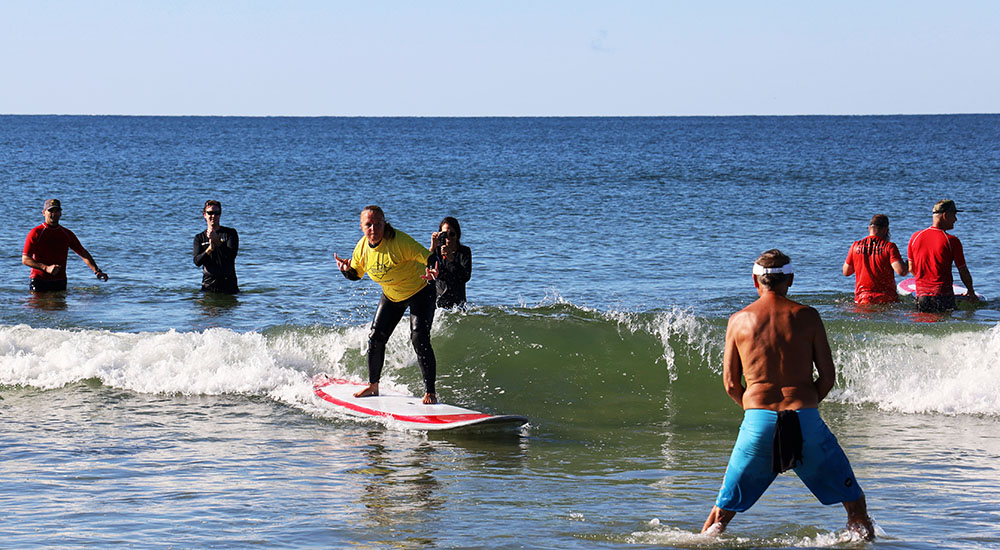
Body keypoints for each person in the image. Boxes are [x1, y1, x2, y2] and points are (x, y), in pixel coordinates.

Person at [701, 250, 874, 540]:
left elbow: (731, 384)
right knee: (854, 505)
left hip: (757, 422)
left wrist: (758, 412)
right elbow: (828, 378)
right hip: (805, 418)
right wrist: (804, 407)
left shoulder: (738, 321)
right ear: (790, 279)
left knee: (721, 515)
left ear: (755, 281)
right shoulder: (808, 317)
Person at [335, 205, 439, 404]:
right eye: (368, 225)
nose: (373, 229)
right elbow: (356, 274)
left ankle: (430, 393)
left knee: (419, 337)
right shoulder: (362, 248)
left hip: (420, 290)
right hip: (392, 296)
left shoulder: (399, 242)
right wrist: (345, 270)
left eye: (378, 224)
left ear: (385, 223)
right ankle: (373, 386)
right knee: (376, 337)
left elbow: (430, 257)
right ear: (361, 227)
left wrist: (434, 270)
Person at [22, 198, 110, 292]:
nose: (54, 214)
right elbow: (25, 259)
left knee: (60, 306)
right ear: (44, 213)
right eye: (50, 211)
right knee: (40, 305)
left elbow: (83, 253)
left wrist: (97, 272)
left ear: (61, 213)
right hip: (39, 280)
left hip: (60, 280)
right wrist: (45, 268)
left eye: (57, 211)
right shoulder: (36, 233)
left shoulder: (66, 234)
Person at [906, 199, 977, 313]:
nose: (955, 219)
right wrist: (971, 292)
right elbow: (963, 270)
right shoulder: (951, 241)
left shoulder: (915, 237)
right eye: (954, 215)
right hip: (943, 296)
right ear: (945, 215)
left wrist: (925, 283)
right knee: (947, 329)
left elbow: (911, 268)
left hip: (921, 297)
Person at [842, 214, 908, 304]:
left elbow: (846, 272)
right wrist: (909, 264)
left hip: (861, 299)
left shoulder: (855, 246)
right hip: (886, 299)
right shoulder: (889, 247)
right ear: (885, 229)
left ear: (869, 228)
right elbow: (901, 271)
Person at [193, 200, 239, 294]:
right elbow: (197, 261)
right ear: (204, 215)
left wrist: (218, 242)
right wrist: (209, 249)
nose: (213, 216)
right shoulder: (199, 238)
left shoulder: (230, 234)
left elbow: (231, 256)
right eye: (210, 213)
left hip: (229, 286)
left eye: (217, 213)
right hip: (208, 286)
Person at [427, 216, 472, 308]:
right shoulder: (436, 251)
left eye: (451, 234)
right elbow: (426, 265)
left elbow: (465, 276)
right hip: (437, 298)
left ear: (457, 235)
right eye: (444, 234)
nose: (448, 238)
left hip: (457, 301)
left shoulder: (464, 252)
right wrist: (432, 247)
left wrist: (452, 259)